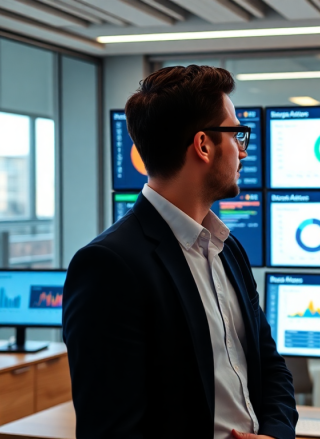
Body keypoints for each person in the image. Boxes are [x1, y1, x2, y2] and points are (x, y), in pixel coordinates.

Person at [63, 65, 297, 439]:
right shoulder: (109, 265)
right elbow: (111, 429)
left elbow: (269, 365)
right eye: (236, 134)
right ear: (203, 146)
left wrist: (275, 434)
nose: (242, 150)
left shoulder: (228, 248)